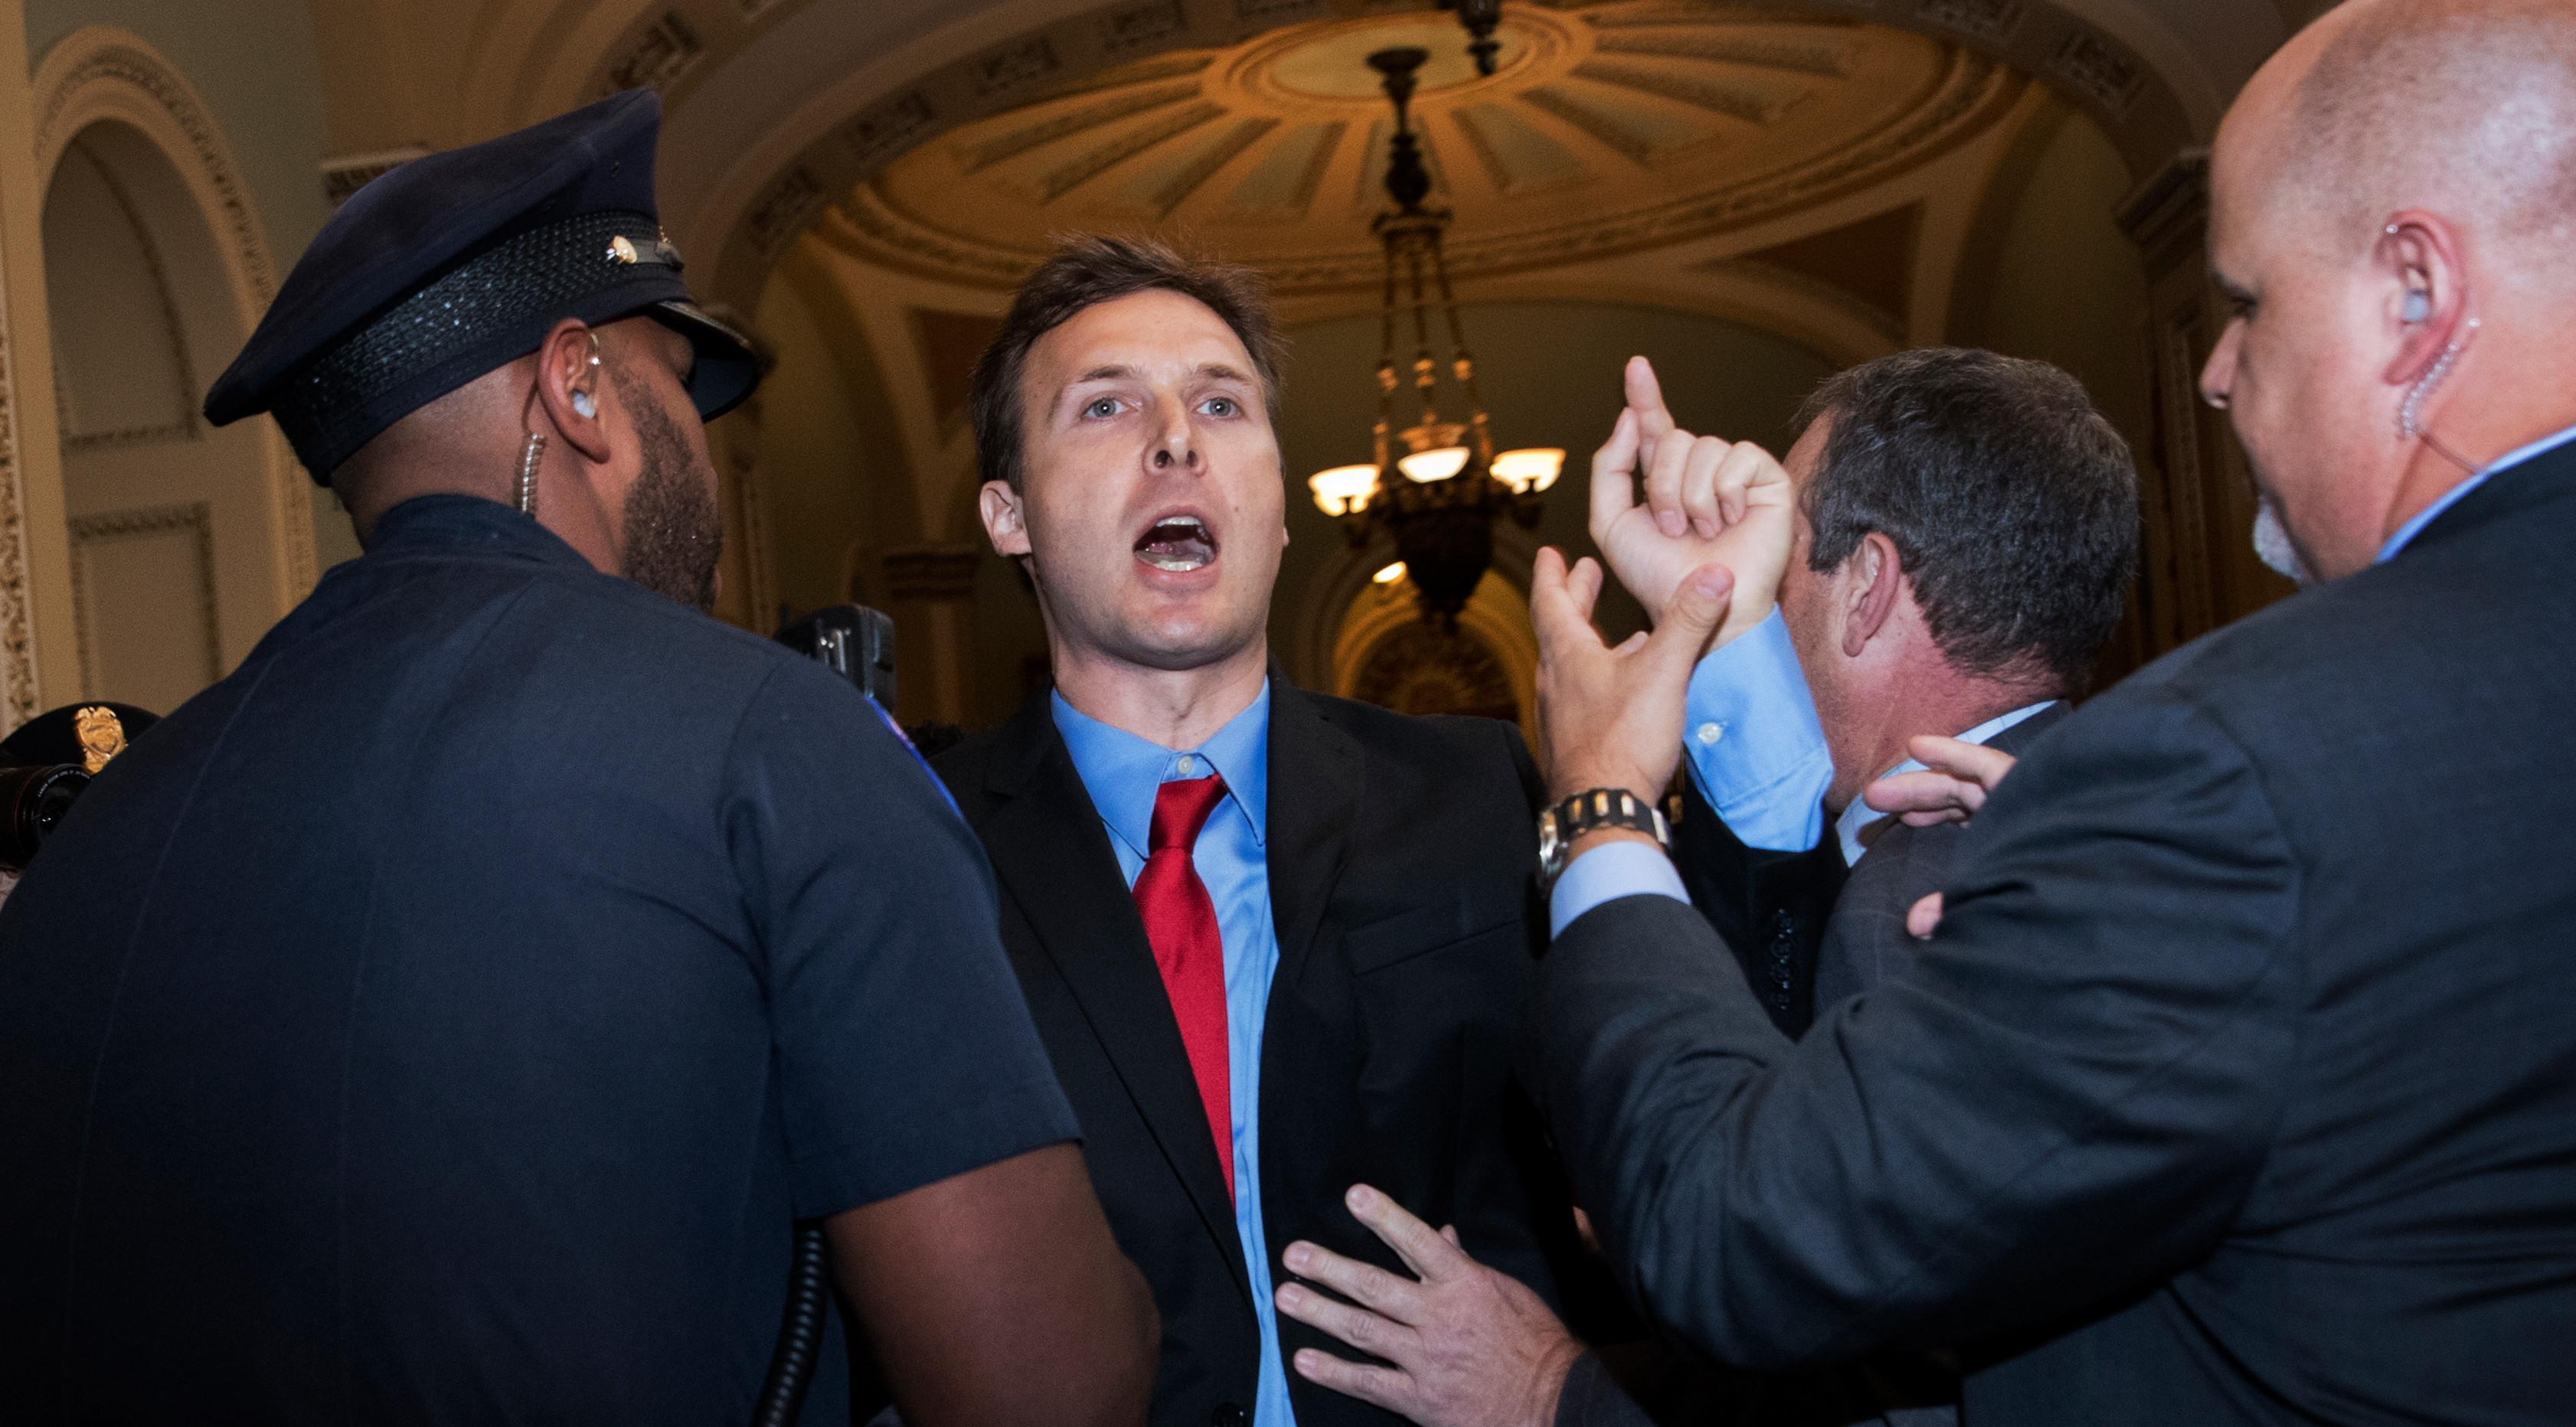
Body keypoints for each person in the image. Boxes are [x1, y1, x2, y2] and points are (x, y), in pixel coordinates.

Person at [0, 91, 1154, 1425]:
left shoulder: (105, 833)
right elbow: (1047, 1389)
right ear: (581, 386)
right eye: (677, 385)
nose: (703, 452)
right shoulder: (770, 738)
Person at [1518, 0, 2576, 1419]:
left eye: (2247, 304)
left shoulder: (2225, 775)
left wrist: (1598, 804)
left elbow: (1743, 1237)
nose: (2212, 371)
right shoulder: (2265, 791)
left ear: (2415, 294)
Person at [1270, 348, 2141, 1427]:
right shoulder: (2047, 824)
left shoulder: (1939, 908)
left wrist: (1552, 1394)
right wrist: (1716, 612)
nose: (1766, 585)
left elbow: (1878, 1381)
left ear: (1868, 586)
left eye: (1784, 561)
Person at [931, 235, 1585, 1427]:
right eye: (1106, 405)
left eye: (1221, 404)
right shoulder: (922, 851)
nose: (1176, 438)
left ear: (1281, 508)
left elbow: (1670, 1133)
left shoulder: (1471, 794)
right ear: (1007, 514)